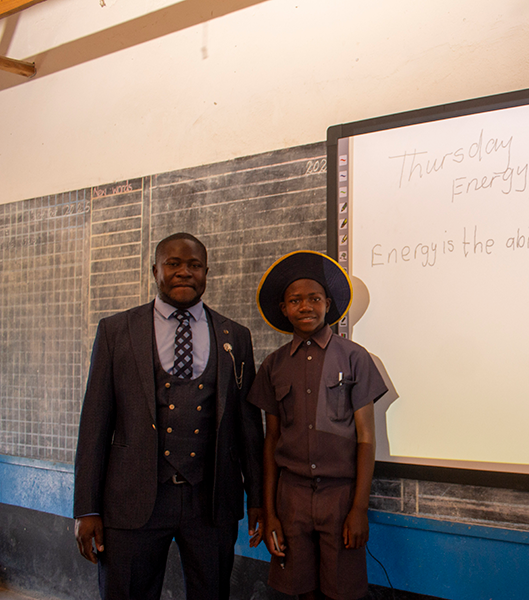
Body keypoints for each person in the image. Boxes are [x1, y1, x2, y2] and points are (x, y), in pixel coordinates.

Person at [73, 232, 264, 600]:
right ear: (155, 271)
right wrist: (86, 508)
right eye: (173, 264)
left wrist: (256, 497)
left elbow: (248, 427)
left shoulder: (235, 336)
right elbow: (94, 424)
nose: (184, 272)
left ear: (206, 272)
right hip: (131, 499)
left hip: (210, 500)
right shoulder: (116, 330)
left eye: (194, 265)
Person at [249, 251, 387, 600]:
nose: (305, 307)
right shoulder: (273, 365)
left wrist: (359, 509)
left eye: (314, 298)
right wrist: (271, 513)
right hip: (291, 498)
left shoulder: (355, 358)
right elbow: (271, 440)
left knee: (343, 592)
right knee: (300, 592)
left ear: (328, 303)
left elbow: (366, 438)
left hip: (340, 498)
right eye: (295, 300)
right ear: (283, 308)